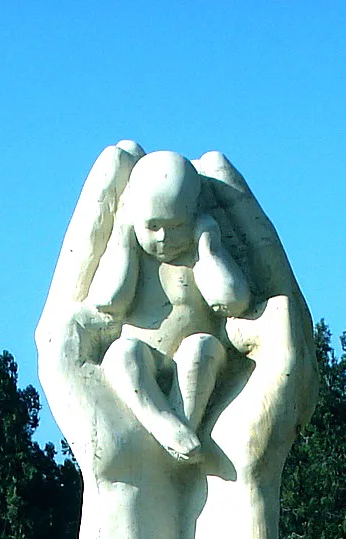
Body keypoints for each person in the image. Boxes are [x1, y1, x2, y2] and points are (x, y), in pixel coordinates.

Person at [86, 149, 252, 465]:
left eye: (177, 226)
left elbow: (233, 300)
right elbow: (109, 301)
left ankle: (182, 428)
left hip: (194, 355)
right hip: (142, 355)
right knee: (122, 355)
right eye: (153, 226)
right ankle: (163, 424)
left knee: (201, 348)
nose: (164, 238)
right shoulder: (134, 252)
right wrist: (123, 239)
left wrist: (208, 246)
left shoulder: (198, 253)